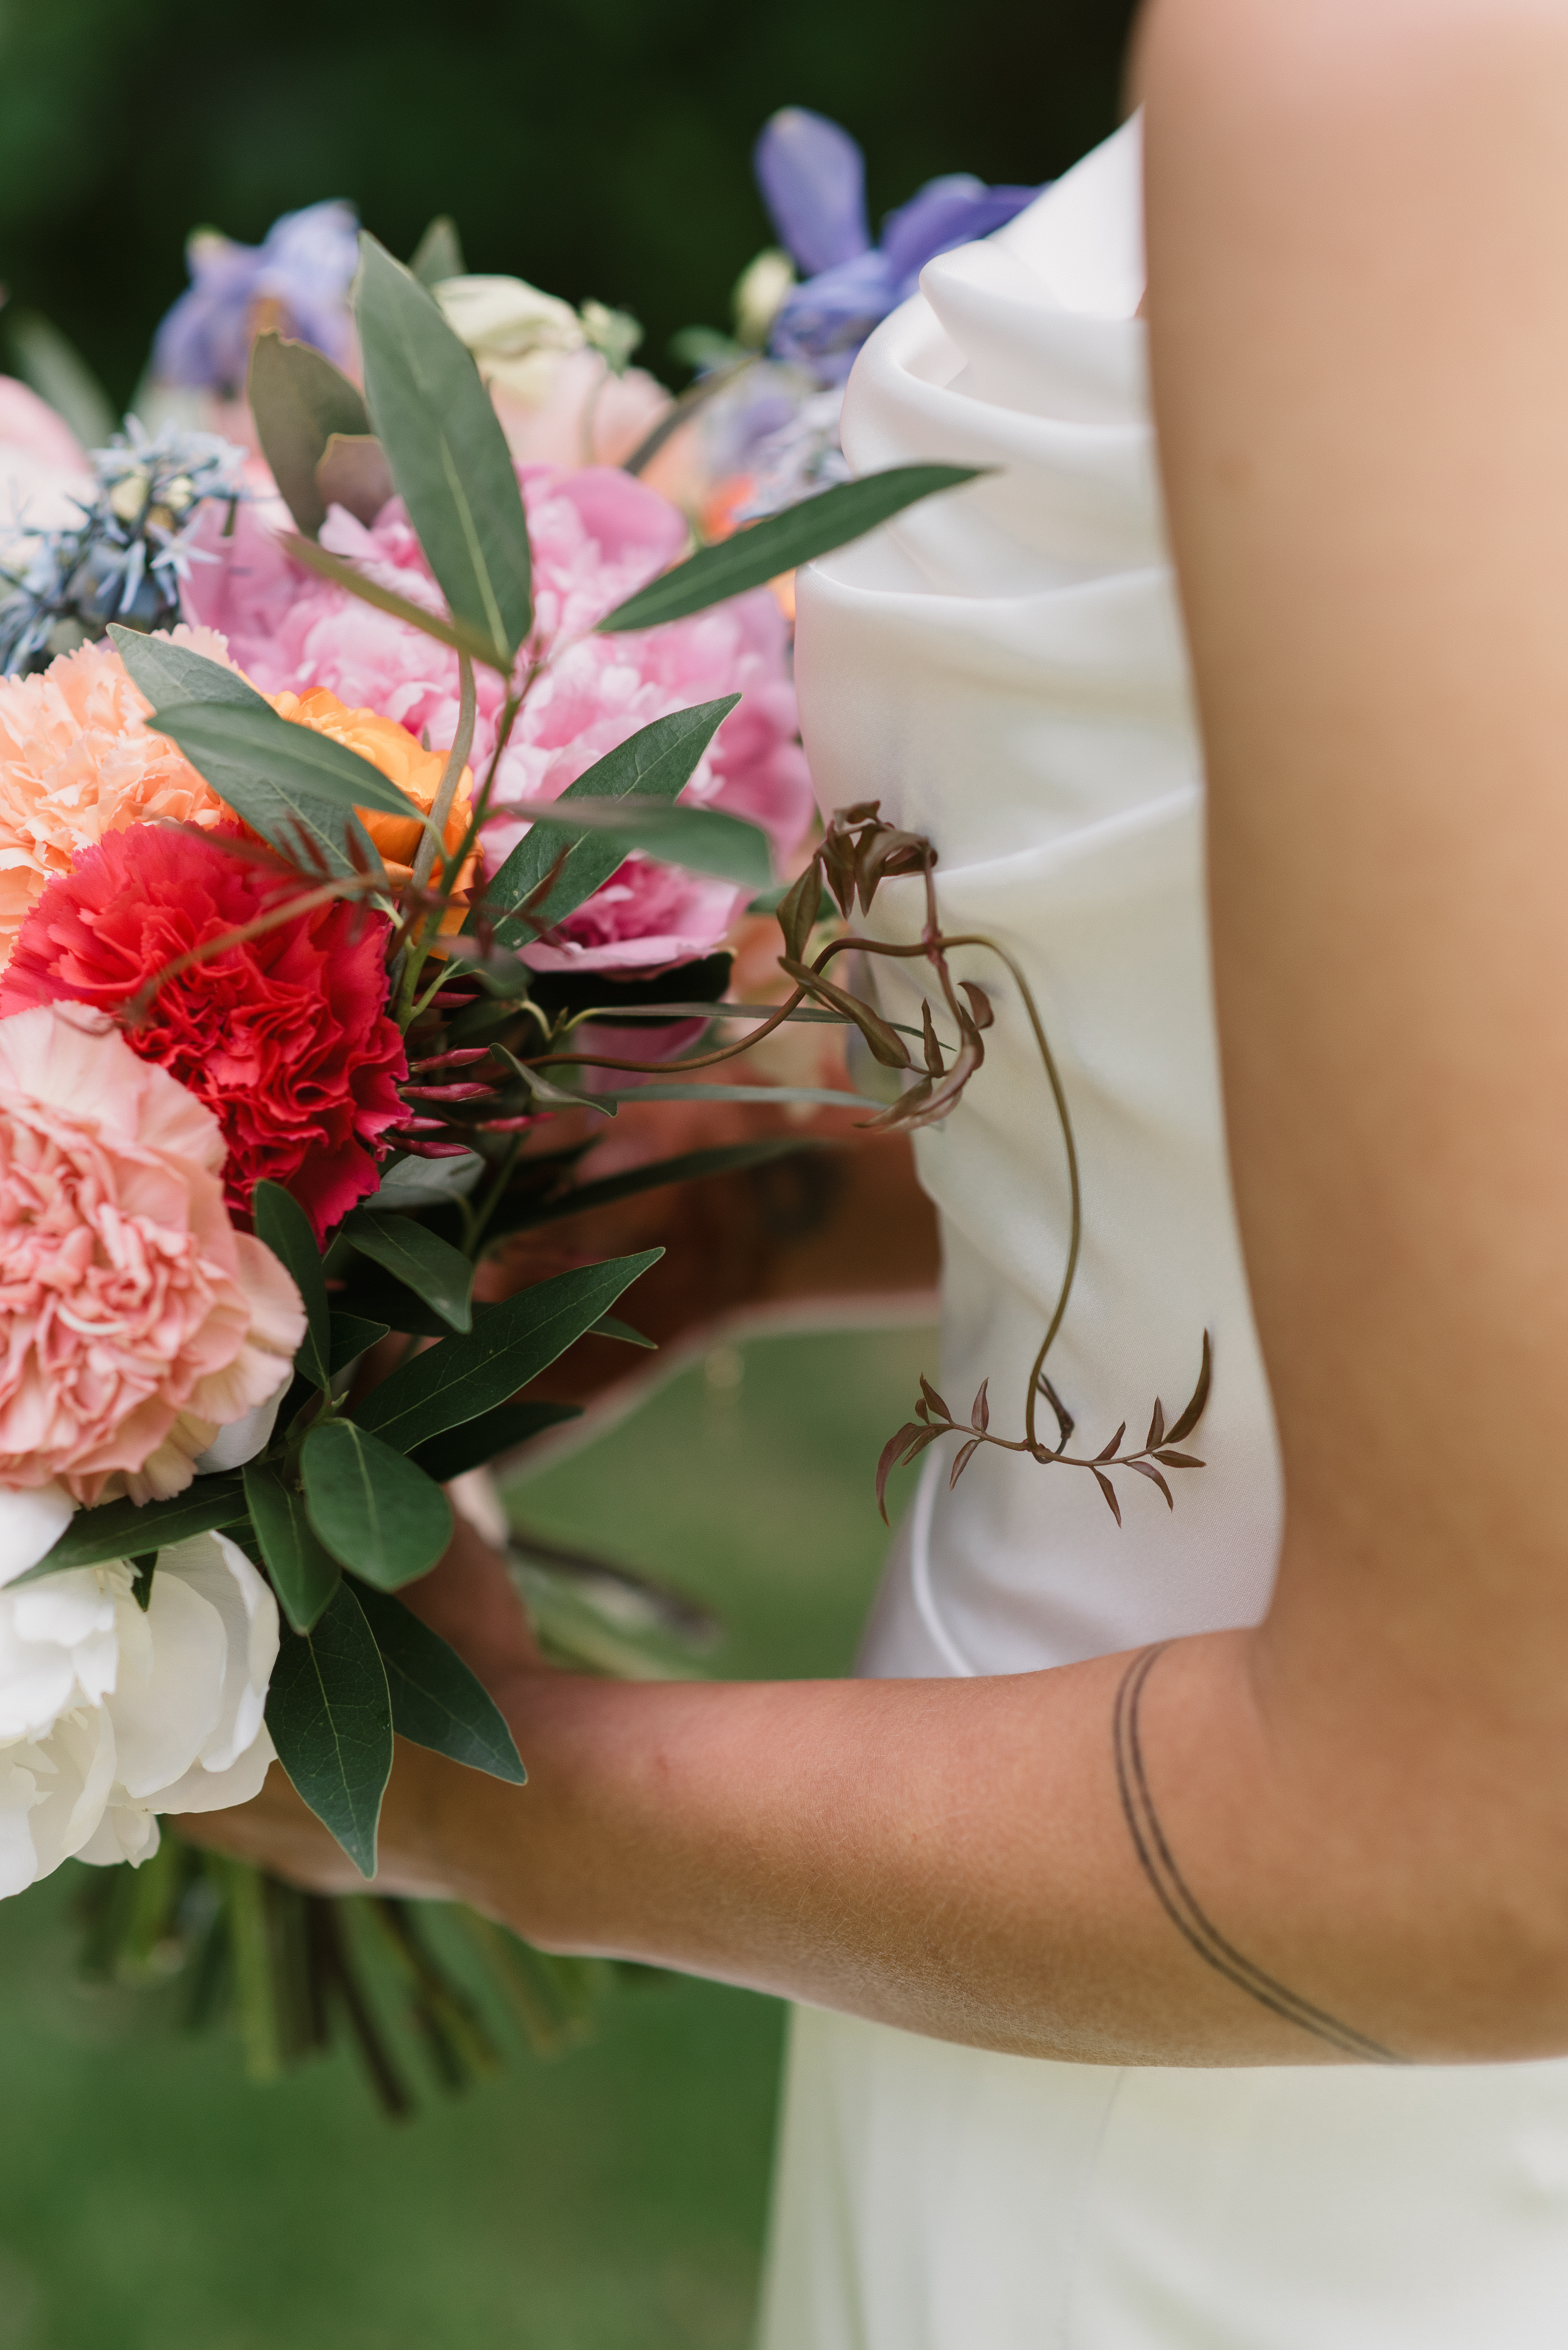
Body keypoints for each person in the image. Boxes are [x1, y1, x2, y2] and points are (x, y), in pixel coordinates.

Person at [187, 0, 1568, 2336]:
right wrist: (757, 1202)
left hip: (1257, 2125)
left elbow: (1495, 1844)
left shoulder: (1389, 62)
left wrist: (480, 1795)